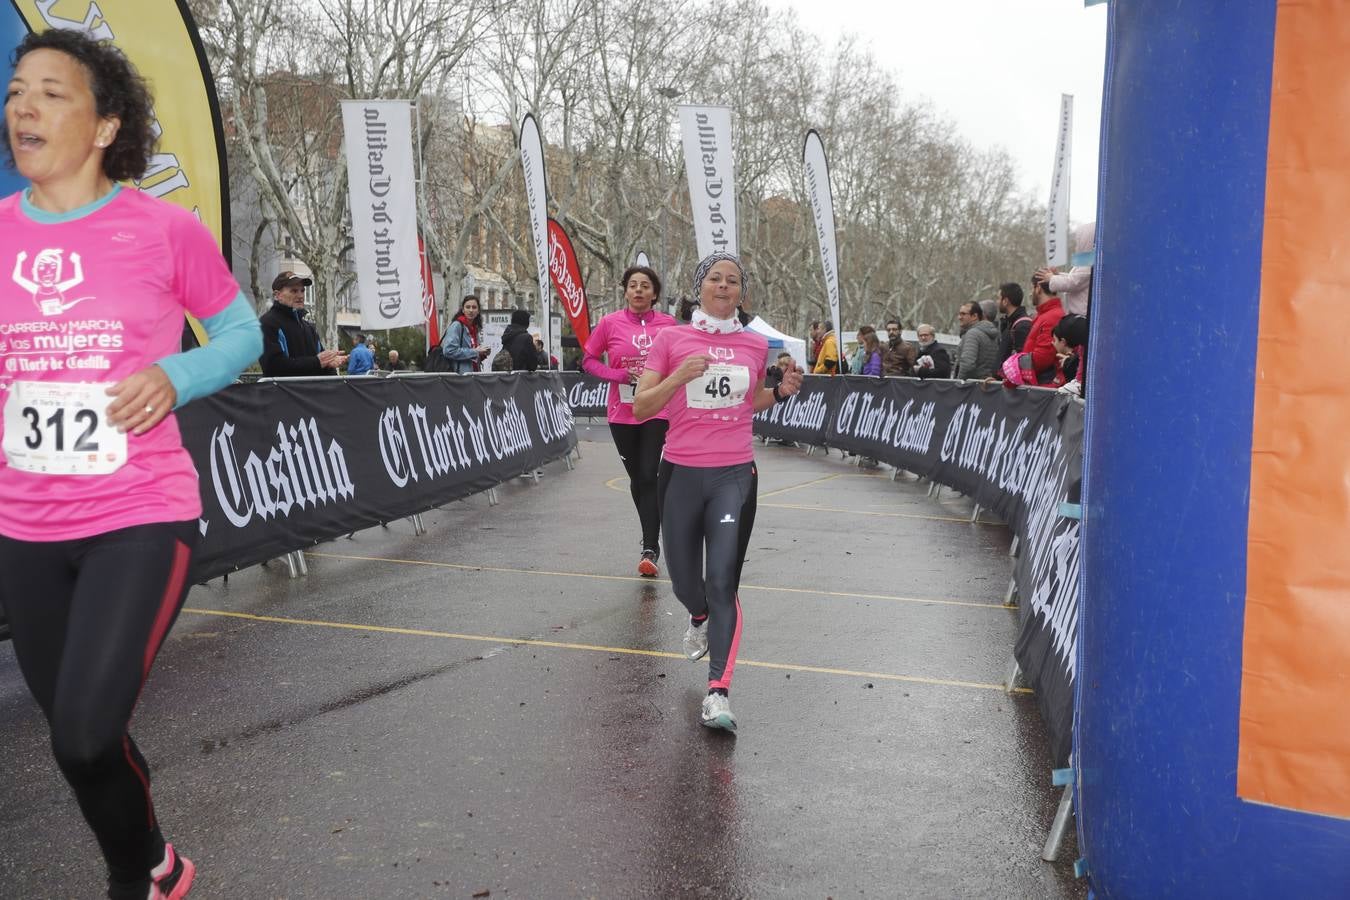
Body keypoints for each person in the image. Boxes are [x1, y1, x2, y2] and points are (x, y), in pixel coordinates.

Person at [0, 28, 263, 900]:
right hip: (25, 525)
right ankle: (159, 867)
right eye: (16, 91)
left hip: (139, 514)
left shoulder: (161, 229)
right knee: (90, 733)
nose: (22, 107)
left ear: (105, 125)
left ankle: (130, 879)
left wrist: (174, 373)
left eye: (50, 92)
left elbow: (241, 332)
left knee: (80, 737)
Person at [633, 252, 803, 731]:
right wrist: (679, 376)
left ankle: (718, 693)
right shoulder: (671, 337)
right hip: (681, 473)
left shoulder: (754, 345)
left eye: (733, 281)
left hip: (733, 476)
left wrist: (781, 392)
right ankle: (699, 615)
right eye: (715, 279)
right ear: (699, 287)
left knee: (724, 581)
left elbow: (750, 403)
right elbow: (643, 405)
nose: (724, 286)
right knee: (687, 584)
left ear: (741, 293)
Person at [582, 265, 679, 575]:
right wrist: (618, 374)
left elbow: (681, 358)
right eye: (633, 285)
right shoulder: (610, 323)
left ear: (654, 294)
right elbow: (588, 361)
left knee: (650, 474)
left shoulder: (668, 324)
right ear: (624, 290)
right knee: (638, 478)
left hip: (656, 409)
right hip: (621, 412)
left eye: (645, 286)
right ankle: (650, 536)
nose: (639, 290)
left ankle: (650, 547)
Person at [259, 271, 346, 376]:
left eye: (302, 290)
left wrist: (329, 365)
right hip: (282, 392)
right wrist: (317, 362)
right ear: (277, 295)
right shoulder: (267, 324)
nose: (300, 295)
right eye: (294, 291)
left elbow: (318, 364)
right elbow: (273, 366)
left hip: (311, 392)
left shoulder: (308, 327)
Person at [1001, 273, 1065, 387]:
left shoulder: (1051, 317)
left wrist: (1012, 369)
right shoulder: (1044, 315)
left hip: (1042, 387)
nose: (1031, 293)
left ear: (1038, 288)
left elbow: (1042, 358)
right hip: (1037, 384)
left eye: (1032, 288)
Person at [1035, 221, 1095, 316]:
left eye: (1078, 241)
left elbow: (1072, 282)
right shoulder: (1086, 264)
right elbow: (1073, 278)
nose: (1077, 245)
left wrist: (1052, 278)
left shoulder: (1089, 266)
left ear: (1086, 241)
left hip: (1081, 316)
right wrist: (1057, 275)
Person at [441, 295, 490, 373]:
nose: (471, 310)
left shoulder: (474, 328)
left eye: (474, 307)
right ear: (463, 310)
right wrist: (475, 352)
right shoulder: (457, 325)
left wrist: (482, 354)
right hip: (459, 377)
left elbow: (471, 354)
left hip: (473, 376)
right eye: (468, 307)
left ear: (478, 311)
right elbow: (448, 351)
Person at [954, 302, 1000, 379]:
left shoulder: (972, 334)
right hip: (985, 385)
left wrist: (959, 383)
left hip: (970, 387)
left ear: (974, 316)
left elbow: (967, 365)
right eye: (959, 314)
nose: (959, 317)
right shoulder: (993, 335)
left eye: (963, 314)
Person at [997, 282, 1032, 363]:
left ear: (1005, 301)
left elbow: (1021, 361)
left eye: (998, 298)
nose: (997, 302)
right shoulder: (1010, 323)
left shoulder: (1022, 326)